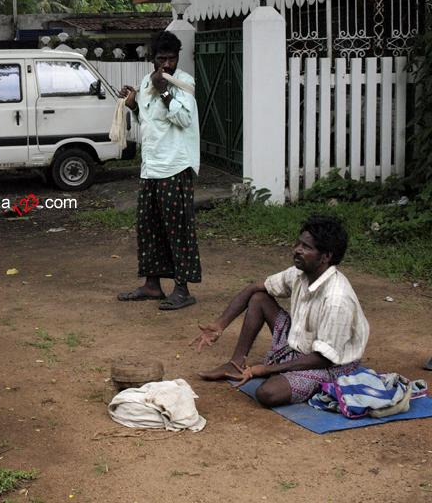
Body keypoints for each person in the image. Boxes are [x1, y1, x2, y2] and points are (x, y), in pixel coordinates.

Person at [192, 215, 370, 407]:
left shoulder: (337, 299)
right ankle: (235, 363)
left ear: (326, 257)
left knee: (268, 393)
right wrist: (219, 325)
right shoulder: (300, 273)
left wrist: (268, 369)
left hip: (331, 365)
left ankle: (313, 381)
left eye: (306, 247)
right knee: (259, 298)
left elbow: (323, 358)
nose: (297, 250)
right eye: (298, 243)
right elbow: (255, 288)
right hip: (302, 347)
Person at [117, 30, 202, 310]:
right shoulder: (146, 82)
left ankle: (182, 288)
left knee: (178, 229)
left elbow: (183, 119)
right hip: (151, 167)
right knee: (149, 228)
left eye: (171, 59)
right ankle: (152, 285)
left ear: (178, 58)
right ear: (152, 59)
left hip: (175, 166)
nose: (166, 65)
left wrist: (165, 90)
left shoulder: (183, 82)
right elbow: (147, 121)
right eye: (161, 59)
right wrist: (132, 104)